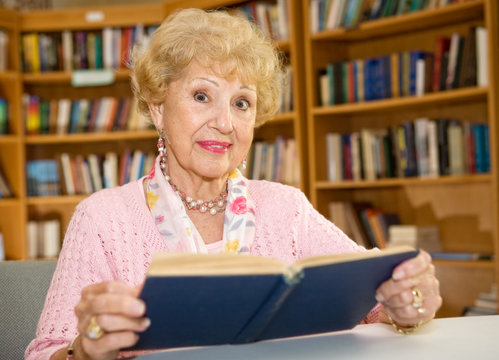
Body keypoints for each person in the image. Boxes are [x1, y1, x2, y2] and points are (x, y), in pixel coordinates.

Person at [26, 8, 442, 360]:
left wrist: (408, 302)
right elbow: (46, 350)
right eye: (202, 96)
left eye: (241, 103)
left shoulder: (287, 208)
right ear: (157, 108)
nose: (224, 123)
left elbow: (376, 306)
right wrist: (83, 349)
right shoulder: (102, 218)